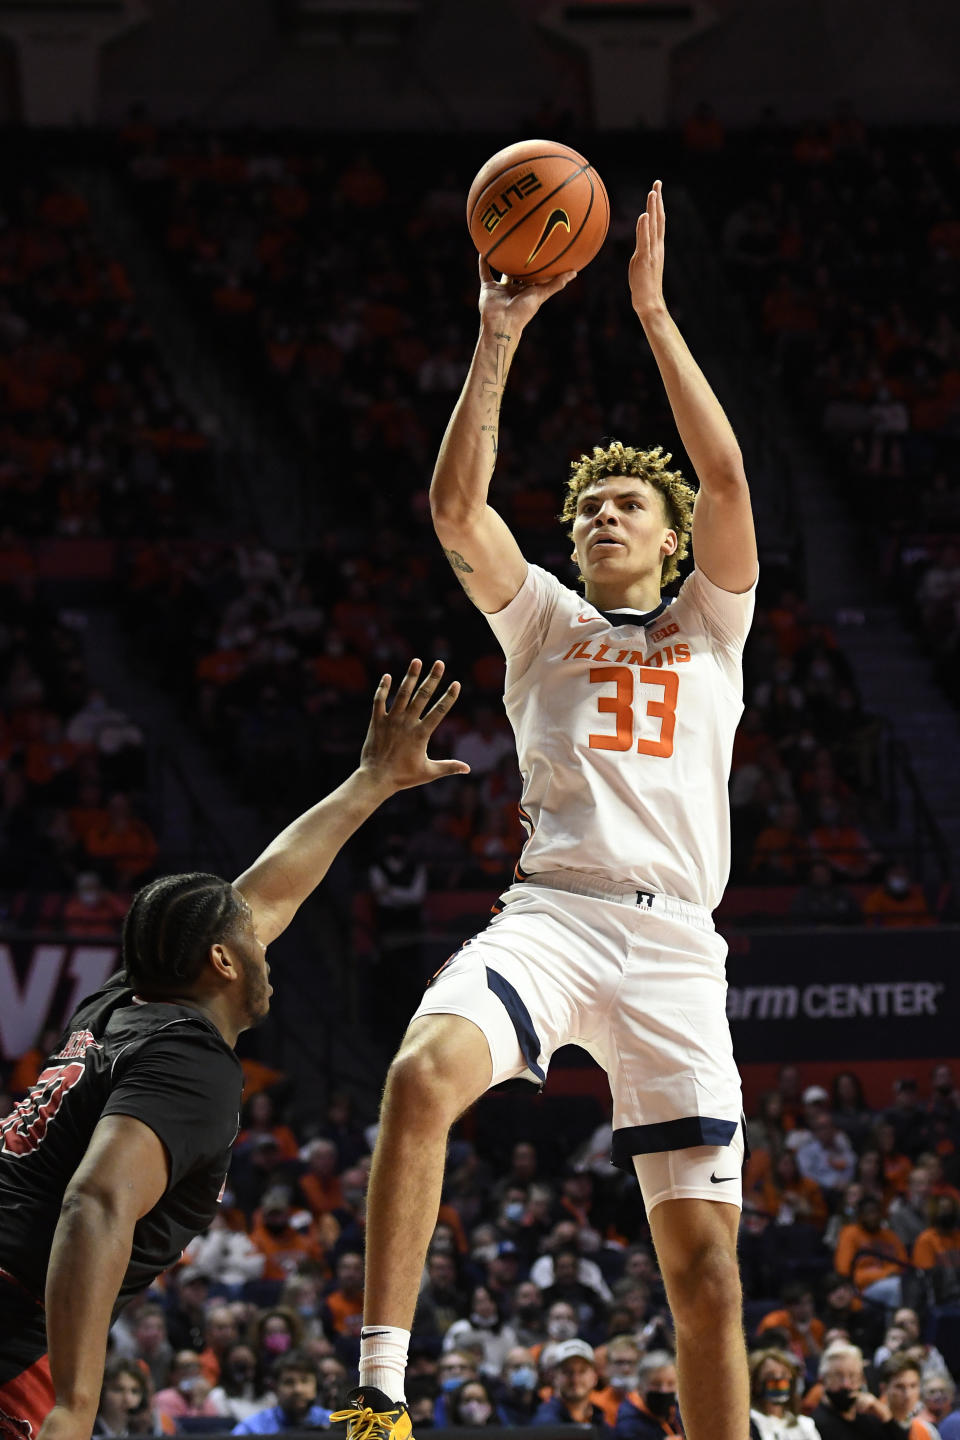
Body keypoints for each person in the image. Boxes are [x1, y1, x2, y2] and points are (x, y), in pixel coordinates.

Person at [342, 179, 757, 1440]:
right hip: (557, 917)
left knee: (707, 1281)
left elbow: (729, 472)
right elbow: (457, 513)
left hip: (679, 946)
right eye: (585, 509)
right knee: (419, 1077)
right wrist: (501, 328)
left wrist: (650, 308)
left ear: (673, 541)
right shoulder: (546, 625)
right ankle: (377, 1396)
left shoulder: (713, 628)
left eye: (626, 504)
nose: (598, 514)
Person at [0, 660, 468, 1440]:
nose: (265, 942)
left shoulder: (125, 1000)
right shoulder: (190, 1058)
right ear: (220, 962)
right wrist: (76, 1406)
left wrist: (372, 781)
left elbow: (264, 893)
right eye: (248, 939)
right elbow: (96, 1203)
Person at [811, 1344, 899, 1440]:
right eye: (837, 1376)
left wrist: (886, 1416)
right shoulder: (814, 1426)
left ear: (862, 1380)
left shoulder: (869, 1416)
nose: (846, 1384)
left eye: (852, 1375)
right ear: (823, 1380)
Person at [231, 1350, 332, 1434]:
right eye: (288, 1382)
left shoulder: (333, 1422)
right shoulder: (253, 1428)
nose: (297, 1389)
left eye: (304, 1381)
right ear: (275, 1389)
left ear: (316, 1386)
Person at [531, 1339, 611, 1430]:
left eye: (582, 1371)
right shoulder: (546, 1424)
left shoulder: (600, 1418)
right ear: (554, 1377)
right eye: (567, 1372)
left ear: (595, 1377)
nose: (575, 1379)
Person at [748, 1348, 821, 1440]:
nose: (778, 1379)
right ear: (755, 1383)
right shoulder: (749, 1424)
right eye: (770, 1375)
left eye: (784, 1375)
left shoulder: (805, 1424)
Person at [615, 1350, 682, 1439]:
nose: (664, 1390)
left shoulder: (678, 1412)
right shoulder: (628, 1423)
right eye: (656, 1384)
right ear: (640, 1387)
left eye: (670, 1384)